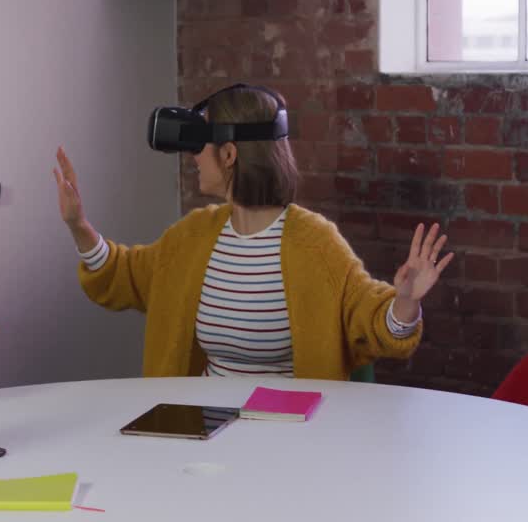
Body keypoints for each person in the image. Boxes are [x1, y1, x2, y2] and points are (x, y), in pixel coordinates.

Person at [53, 83, 452, 379]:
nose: (194, 157)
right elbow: (126, 276)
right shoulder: (192, 237)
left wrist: (405, 303)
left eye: (201, 145)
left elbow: (372, 322)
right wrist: (79, 227)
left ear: (229, 154)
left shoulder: (315, 244)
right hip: (200, 431)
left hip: (289, 439)